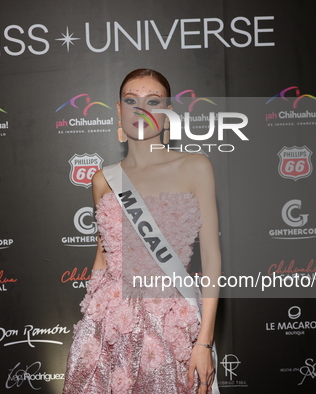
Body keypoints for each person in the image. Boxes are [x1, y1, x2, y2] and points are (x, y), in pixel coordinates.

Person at [63, 69, 221, 393]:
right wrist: (89, 327)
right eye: (131, 101)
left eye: (153, 101)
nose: (141, 110)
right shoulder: (102, 179)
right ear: (119, 110)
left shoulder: (195, 167)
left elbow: (212, 259)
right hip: (107, 324)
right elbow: (103, 255)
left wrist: (204, 342)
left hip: (171, 323)